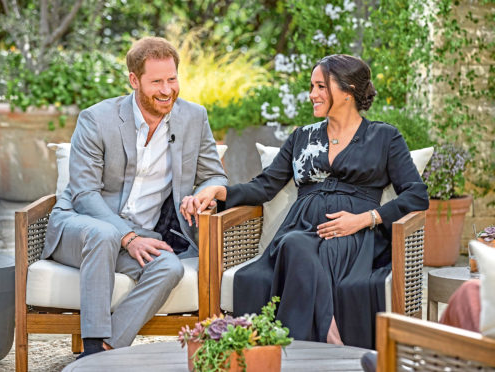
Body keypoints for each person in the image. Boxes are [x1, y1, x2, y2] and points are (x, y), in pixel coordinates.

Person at [181, 54, 429, 349]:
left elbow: (417, 194)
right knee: (293, 243)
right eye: (312, 86)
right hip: (301, 229)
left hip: (353, 236)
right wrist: (220, 192)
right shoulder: (302, 136)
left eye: (321, 87)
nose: (312, 94)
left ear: (348, 90)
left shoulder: (384, 137)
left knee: (296, 246)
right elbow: (264, 186)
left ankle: (293, 352)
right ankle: (329, 334)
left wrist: (366, 219)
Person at [42, 37, 227, 358]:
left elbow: (214, 175)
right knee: (104, 233)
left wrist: (203, 192)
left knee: (169, 268)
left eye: (172, 79)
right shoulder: (97, 119)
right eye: (156, 81)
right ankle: (92, 346)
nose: (167, 90)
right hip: (81, 228)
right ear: (134, 80)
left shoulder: (194, 118)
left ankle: (107, 349)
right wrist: (127, 237)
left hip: (142, 236)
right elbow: (84, 194)